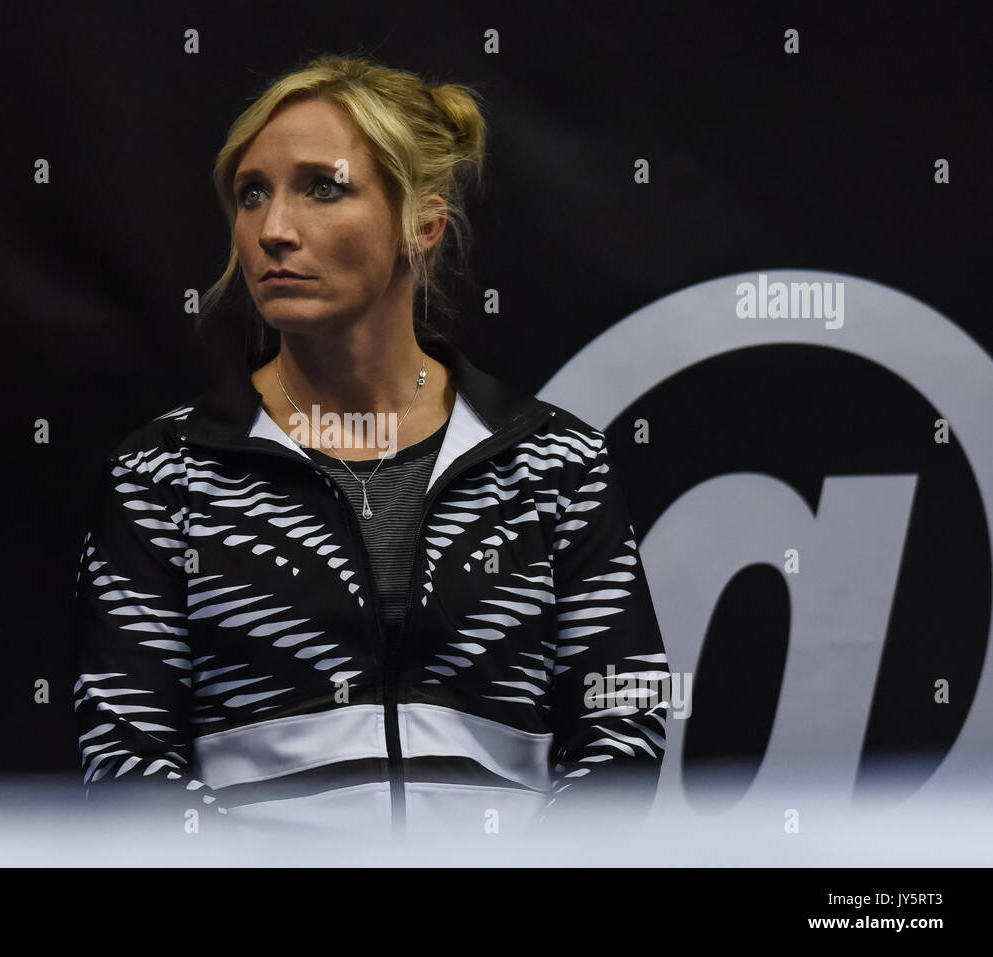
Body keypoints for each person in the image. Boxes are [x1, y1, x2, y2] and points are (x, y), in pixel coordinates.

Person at [72, 54, 668, 840]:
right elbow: (126, 757)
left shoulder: (554, 462)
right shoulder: (164, 475)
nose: (273, 230)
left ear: (422, 224)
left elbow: (624, 722)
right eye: (254, 193)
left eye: (323, 186)